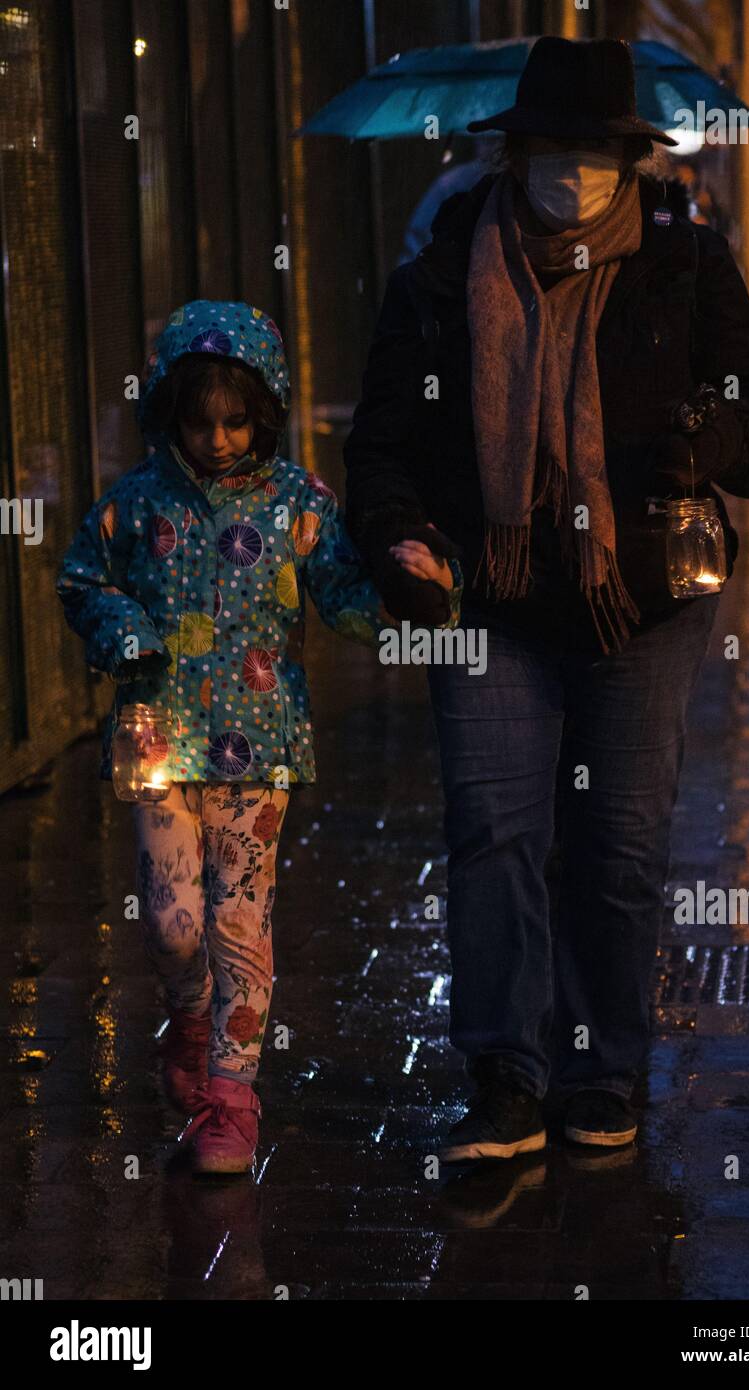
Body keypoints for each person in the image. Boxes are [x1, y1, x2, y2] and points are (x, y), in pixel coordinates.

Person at [344, 38, 749, 1160]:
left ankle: (602, 1069)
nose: (575, 169)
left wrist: (715, 434)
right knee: (492, 829)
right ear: (516, 151)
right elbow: (383, 440)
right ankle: (504, 1073)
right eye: (556, 146)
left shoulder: (682, 264)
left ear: (630, 161)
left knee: (617, 840)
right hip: (490, 600)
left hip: (638, 599)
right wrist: (402, 535)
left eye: (598, 150)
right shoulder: (445, 269)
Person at [57, 300, 458, 1176]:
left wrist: (410, 587)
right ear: (171, 412)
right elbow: (81, 577)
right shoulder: (133, 505)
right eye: (201, 422)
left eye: (238, 421)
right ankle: (189, 1013)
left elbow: (346, 596)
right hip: (157, 738)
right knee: (171, 921)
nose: (221, 439)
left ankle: (232, 1101)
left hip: (260, 746)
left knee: (241, 923)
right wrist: (122, 628)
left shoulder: (300, 504)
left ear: (265, 411)